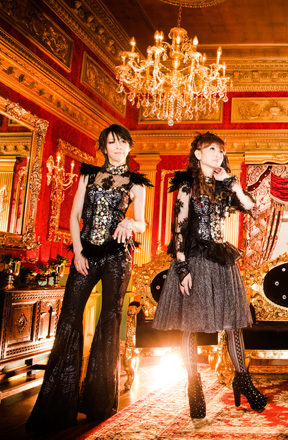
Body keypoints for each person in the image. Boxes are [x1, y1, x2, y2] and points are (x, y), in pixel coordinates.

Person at [26, 124, 151, 432]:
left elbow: (142, 224)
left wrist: (129, 222)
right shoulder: (88, 176)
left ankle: (99, 403)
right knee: (68, 319)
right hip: (86, 254)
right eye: (112, 142)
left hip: (117, 257)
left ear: (129, 146)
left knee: (108, 322)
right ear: (104, 147)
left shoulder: (136, 184)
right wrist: (78, 252)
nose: (118, 147)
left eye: (123, 142)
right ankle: (56, 406)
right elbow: (73, 216)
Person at [152, 132, 266, 418]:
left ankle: (243, 380)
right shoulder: (186, 186)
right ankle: (194, 386)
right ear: (198, 154)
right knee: (190, 326)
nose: (218, 154)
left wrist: (232, 183)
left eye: (221, 151)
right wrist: (182, 269)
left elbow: (253, 209)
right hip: (194, 260)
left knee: (233, 324)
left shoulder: (224, 187)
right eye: (212, 149)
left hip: (221, 260)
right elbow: (179, 229)